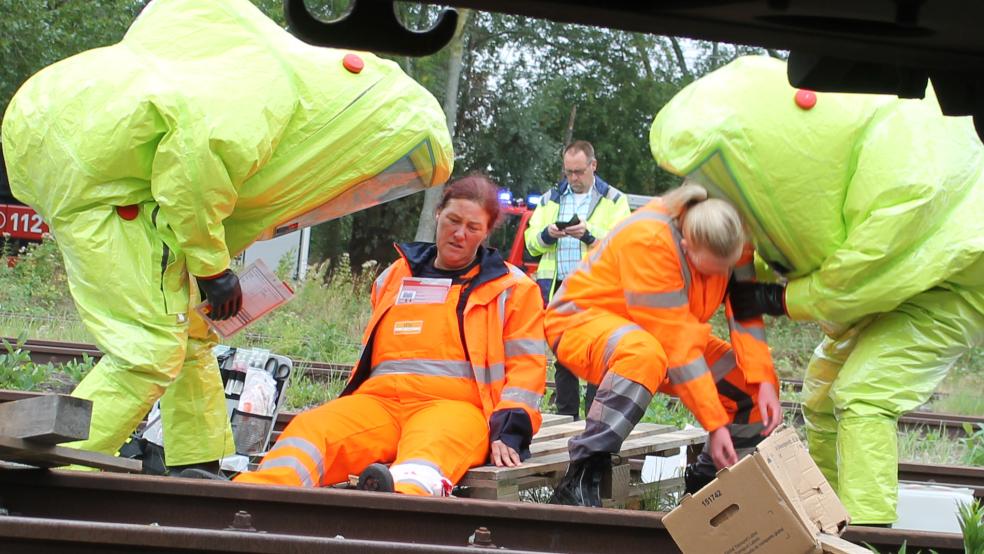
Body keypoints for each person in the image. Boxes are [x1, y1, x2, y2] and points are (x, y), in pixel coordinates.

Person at [1, 0, 452, 474]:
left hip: (97, 157)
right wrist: (213, 270)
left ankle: (195, 463)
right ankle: (52, 478)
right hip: (102, 175)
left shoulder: (265, 75)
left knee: (192, 335)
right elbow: (194, 168)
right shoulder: (269, 89)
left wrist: (209, 267)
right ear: (362, 123)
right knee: (149, 352)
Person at [649, 56, 984, 525]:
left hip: (952, 283)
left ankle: (867, 531)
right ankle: (827, 516)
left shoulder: (908, 171)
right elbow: (804, 236)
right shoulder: (842, 151)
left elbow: (866, 274)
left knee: (866, 392)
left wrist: (780, 299)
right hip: (901, 290)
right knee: (821, 393)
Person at [233, 176, 546, 495]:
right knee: (311, 430)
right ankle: (249, 495)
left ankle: (395, 504)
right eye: (453, 220)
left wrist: (510, 431)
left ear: (487, 232)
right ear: (438, 213)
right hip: (378, 402)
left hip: (456, 408)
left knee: (427, 454)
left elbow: (527, 370)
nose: (460, 234)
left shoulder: (513, 289)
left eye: (473, 227)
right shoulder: (394, 277)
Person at [544, 183, 782, 507]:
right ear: (686, 247)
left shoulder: (728, 235)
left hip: (662, 336)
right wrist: (715, 422)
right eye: (711, 270)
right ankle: (581, 478)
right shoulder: (650, 241)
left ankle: (707, 489)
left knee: (750, 387)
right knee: (643, 353)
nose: (722, 276)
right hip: (581, 322)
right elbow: (679, 349)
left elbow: (744, 312)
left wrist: (764, 379)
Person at [525, 140, 631, 420]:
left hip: (599, 291)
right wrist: (548, 234)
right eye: (568, 172)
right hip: (560, 291)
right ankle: (566, 420)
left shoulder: (615, 200)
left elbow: (624, 245)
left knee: (598, 356)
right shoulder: (550, 199)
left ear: (593, 166)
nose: (573, 178)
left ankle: (595, 421)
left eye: (579, 172)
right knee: (565, 359)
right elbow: (530, 243)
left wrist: (588, 233)